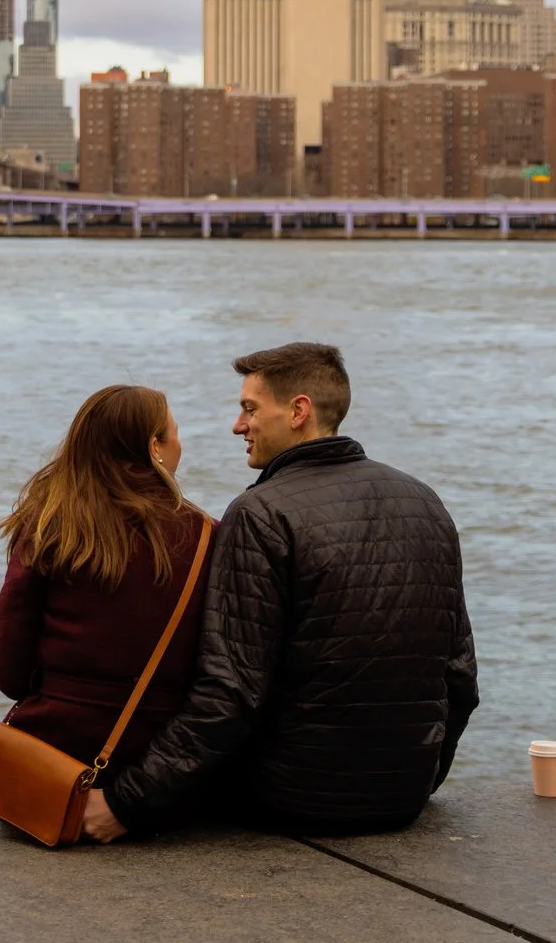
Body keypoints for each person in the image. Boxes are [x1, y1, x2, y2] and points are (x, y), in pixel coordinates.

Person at [83, 342, 477, 843]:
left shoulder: (261, 513)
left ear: (298, 411)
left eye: (249, 408)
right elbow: (460, 675)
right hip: (403, 798)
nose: (237, 425)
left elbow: (230, 693)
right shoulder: (425, 502)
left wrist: (126, 802)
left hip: (286, 800)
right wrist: (418, 781)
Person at [0, 385, 216, 784]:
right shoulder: (205, 535)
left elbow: (8, 665)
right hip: (161, 760)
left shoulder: (48, 525)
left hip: (54, 751)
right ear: (154, 446)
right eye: (174, 432)